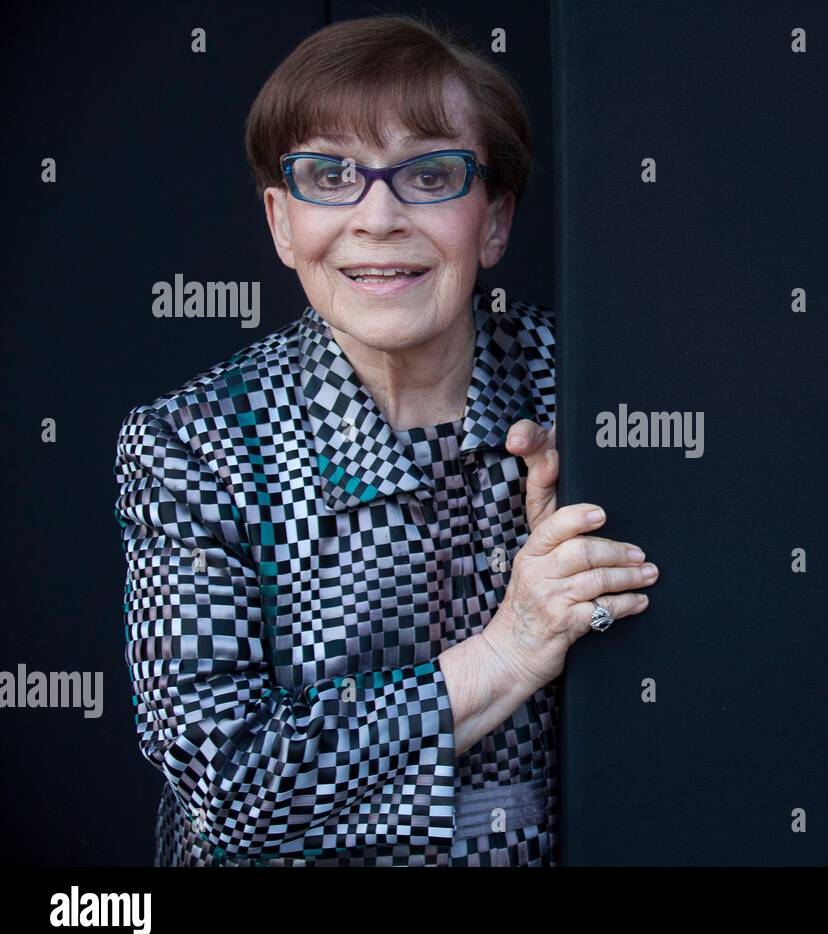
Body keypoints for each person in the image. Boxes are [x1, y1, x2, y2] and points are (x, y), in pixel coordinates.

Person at [111, 13, 657, 866]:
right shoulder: (192, 445)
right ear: (282, 223)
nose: (378, 217)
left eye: (432, 173)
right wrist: (506, 652)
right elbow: (230, 795)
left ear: (495, 220)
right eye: (328, 175)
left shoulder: (599, 400)